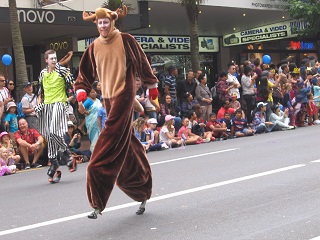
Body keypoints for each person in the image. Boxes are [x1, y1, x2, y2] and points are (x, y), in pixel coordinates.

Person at [75, 6, 158, 219]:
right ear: (96, 24)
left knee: (109, 141)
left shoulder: (126, 39)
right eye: (99, 22)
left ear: (112, 22)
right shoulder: (93, 47)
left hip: (124, 92)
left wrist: (151, 85)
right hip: (108, 98)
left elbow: (141, 62)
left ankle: (97, 199)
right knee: (128, 143)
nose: (103, 26)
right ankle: (142, 189)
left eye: (106, 22)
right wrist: (81, 91)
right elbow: (84, 73)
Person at [37, 49, 76, 182]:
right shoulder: (42, 73)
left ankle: (67, 154)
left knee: (54, 132)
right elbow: (40, 92)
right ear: (46, 60)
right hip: (46, 106)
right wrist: (38, 105)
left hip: (59, 104)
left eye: (55, 58)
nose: (54, 60)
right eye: (51, 58)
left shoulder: (63, 71)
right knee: (49, 136)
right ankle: (54, 163)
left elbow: (73, 85)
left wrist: (78, 98)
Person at [78, 88, 102, 152]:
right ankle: (93, 152)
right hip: (91, 122)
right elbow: (80, 110)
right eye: (92, 93)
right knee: (93, 138)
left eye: (95, 92)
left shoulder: (98, 100)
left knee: (100, 138)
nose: (94, 94)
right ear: (89, 94)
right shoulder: (88, 101)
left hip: (99, 122)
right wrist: (86, 112)